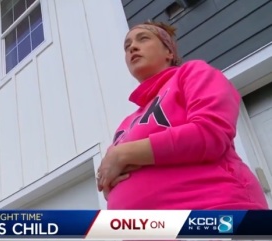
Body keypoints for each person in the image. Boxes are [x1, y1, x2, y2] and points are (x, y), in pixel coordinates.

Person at [96, 21, 269, 210]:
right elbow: (107, 176)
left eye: (143, 39)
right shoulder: (127, 122)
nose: (133, 48)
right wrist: (108, 181)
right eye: (127, 46)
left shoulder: (191, 73)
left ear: (169, 52)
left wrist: (124, 154)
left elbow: (210, 132)